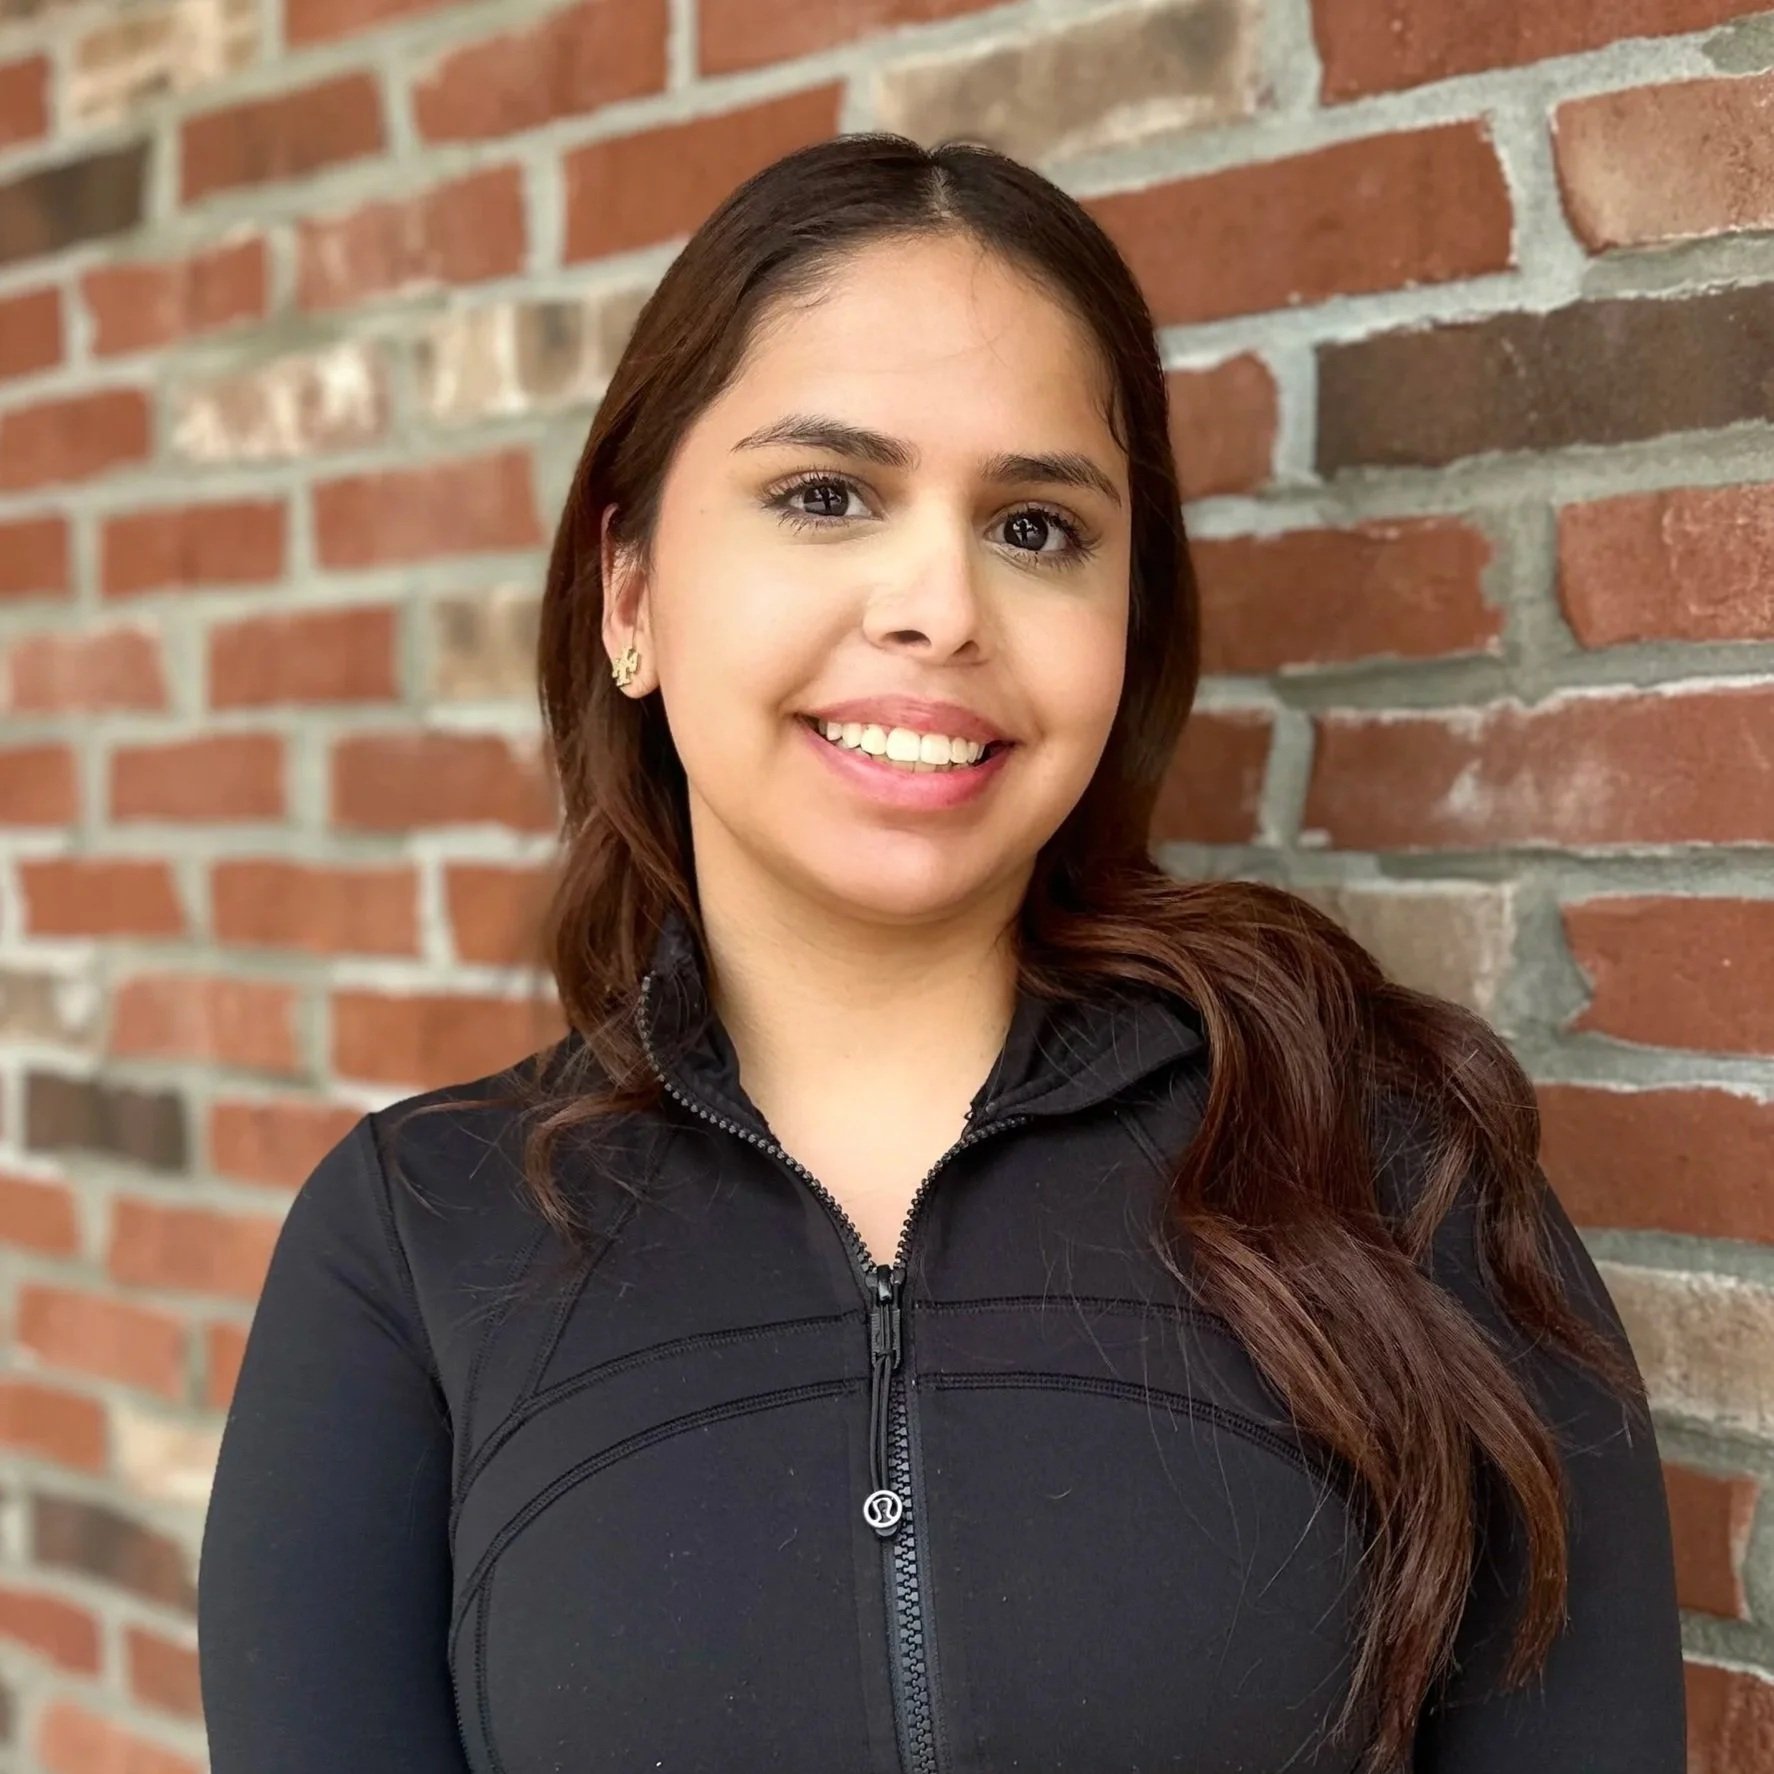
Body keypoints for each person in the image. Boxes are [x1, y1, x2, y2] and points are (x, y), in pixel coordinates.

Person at [196, 133, 1686, 1774]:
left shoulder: (1393, 1172)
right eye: (825, 495)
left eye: (1036, 525)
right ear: (628, 587)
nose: (939, 604)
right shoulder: (415, 1245)